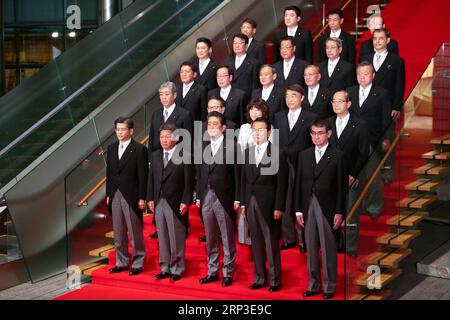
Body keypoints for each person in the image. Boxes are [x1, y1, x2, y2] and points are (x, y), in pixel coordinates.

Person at [294, 119, 347, 299]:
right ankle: (313, 284)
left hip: (328, 207)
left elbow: (342, 187)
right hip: (308, 205)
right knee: (310, 248)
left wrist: (340, 211)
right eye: (313, 133)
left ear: (329, 134)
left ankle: (329, 286)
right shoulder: (304, 155)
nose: (316, 137)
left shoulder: (338, 155)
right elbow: (298, 184)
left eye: (320, 133)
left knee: (328, 249)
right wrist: (298, 210)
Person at [240, 117, 288, 292]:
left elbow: (282, 183)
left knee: (271, 242)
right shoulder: (247, 152)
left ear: (268, 132)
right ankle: (259, 278)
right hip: (251, 201)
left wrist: (279, 206)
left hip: (269, 203)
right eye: (254, 130)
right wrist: (244, 204)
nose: (257, 133)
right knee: (256, 242)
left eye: (261, 130)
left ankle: (275, 280)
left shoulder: (278, 153)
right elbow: (244, 181)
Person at [197, 112, 240, 287]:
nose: (212, 126)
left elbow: (238, 175)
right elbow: (199, 174)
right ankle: (212, 271)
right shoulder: (203, 146)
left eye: (216, 124)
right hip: (206, 196)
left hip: (225, 197)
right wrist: (199, 196)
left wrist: (238, 198)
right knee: (211, 237)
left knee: (227, 238)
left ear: (223, 127)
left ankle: (228, 272)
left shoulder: (233, 146)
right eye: (209, 124)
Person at [147, 123, 194, 281]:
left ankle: (177, 268)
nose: (164, 140)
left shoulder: (184, 154)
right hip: (159, 201)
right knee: (163, 237)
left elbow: (189, 182)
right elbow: (151, 179)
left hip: (176, 202)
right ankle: (165, 267)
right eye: (162, 137)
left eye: (167, 136)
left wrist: (185, 201)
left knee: (176, 237)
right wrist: (150, 198)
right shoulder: (155, 155)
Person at [274, 84, 317, 253]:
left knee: (302, 201)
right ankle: (289, 238)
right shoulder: (278, 116)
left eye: (293, 96)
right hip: (284, 163)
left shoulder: (311, 116)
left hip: (303, 164)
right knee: (285, 200)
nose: (289, 99)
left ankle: (305, 239)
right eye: (287, 96)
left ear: (302, 98)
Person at [347, 61, 392, 221]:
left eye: (366, 74)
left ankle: (374, 207)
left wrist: (386, 138)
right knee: (354, 177)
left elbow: (386, 119)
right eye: (359, 74)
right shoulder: (349, 91)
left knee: (372, 177)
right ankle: (355, 207)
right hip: (352, 142)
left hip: (372, 141)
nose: (362, 77)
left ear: (373, 76)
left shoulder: (381, 93)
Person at [328, 90, 370, 256]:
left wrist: (353, 174)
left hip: (351, 176)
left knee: (351, 213)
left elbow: (363, 153)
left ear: (349, 104)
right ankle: (335, 243)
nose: (336, 104)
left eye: (340, 101)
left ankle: (351, 247)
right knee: (332, 212)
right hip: (331, 176)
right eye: (334, 101)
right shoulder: (327, 123)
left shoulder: (360, 124)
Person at [106, 117, 148, 276]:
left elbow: (143, 176)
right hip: (115, 193)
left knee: (134, 231)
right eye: (117, 129)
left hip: (132, 195)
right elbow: (109, 174)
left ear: (131, 131)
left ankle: (138, 263)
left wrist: (142, 197)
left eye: (123, 129)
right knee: (118, 231)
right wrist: (109, 194)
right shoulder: (111, 148)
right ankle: (121, 262)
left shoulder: (139, 149)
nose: (120, 132)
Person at [149, 81, 193, 153]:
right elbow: (152, 138)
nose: (163, 97)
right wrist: (150, 158)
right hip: (157, 157)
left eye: (167, 94)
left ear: (174, 95)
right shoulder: (155, 114)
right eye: (161, 94)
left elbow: (188, 140)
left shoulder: (185, 114)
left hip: (177, 157)